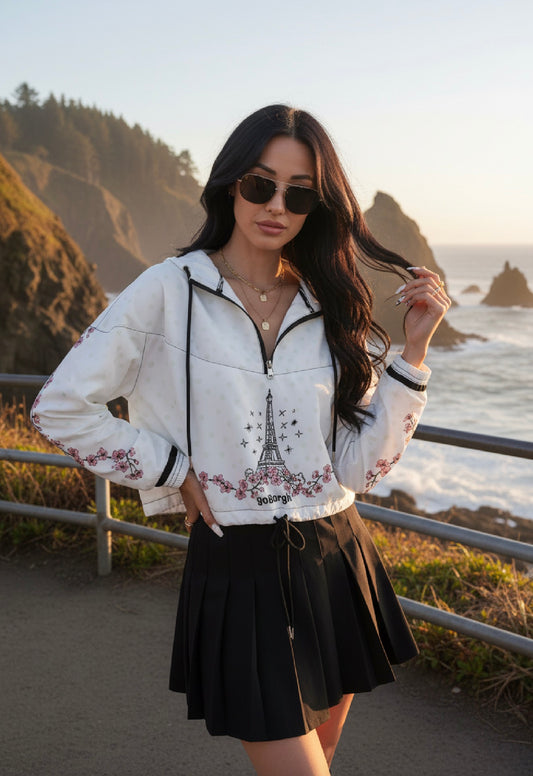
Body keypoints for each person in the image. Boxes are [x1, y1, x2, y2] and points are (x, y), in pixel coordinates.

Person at [31, 104, 450, 776]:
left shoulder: (327, 302)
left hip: (335, 554)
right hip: (237, 564)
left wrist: (414, 355)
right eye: (261, 184)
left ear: (317, 207)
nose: (276, 205)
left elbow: (356, 469)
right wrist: (170, 469)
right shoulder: (167, 291)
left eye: (299, 193)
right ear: (231, 184)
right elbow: (59, 407)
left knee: (322, 758)